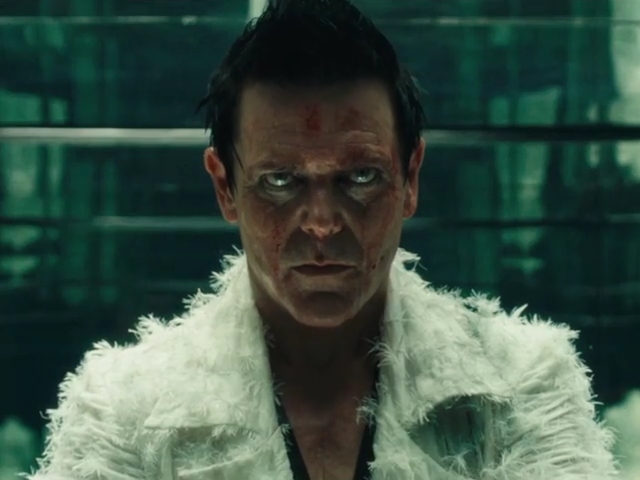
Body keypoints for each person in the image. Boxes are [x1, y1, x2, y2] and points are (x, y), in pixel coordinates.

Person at [25, 1, 618, 479]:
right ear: (225, 188)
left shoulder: (524, 388)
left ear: (410, 179)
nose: (322, 223)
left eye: (360, 178)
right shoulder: (123, 410)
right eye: (280, 182)